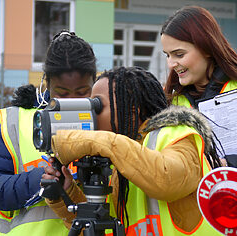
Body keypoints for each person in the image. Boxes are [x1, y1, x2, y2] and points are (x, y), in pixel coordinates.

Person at [42, 66, 222, 235]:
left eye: (98, 106)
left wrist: (97, 141)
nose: (92, 115)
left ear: (132, 109)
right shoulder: (122, 162)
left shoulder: (177, 135)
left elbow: (166, 180)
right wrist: (67, 193)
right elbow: (106, 228)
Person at [160, 5, 237, 231]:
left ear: (208, 48)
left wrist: (226, 167)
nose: (171, 64)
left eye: (179, 54)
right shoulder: (168, 106)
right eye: (168, 55)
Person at [0, 30, 96, 235]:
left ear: (93, 83)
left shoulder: (105, 122)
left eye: (81, 92)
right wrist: (37, 180)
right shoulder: (16, 122)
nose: (70, 101)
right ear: (47, 84)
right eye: (62, 92)